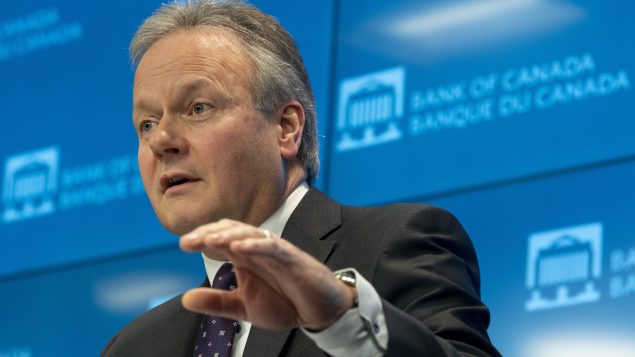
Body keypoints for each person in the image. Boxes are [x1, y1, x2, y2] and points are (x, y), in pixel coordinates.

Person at [102, 1, 500, 356]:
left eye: (198, 107)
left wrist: (341, 318)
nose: (161, 141)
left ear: (285, 128)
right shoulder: (135, 346)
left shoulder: (395, 244)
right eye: (147, 123)